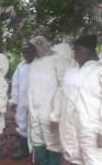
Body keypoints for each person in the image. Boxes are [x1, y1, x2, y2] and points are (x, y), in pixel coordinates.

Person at [60, 35, 102, 165]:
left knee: (93, 159)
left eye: (78, 49)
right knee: (73, 156)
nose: (75, 53)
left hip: (91, 127)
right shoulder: (71, 69)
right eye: (74, 50)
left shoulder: (99, 70)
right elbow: (61, 93)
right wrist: (55, 116)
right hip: (70, 124)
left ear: (89, 50)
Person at [27, 36, 69, 165]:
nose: (31, 52)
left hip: (50, 110)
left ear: (41, 47)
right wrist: (30, 108)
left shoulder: (58, 60)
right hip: (35, 109)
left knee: (53, 142)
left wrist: (55, 114)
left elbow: (63, 88)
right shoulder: (34, 63)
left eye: (33, 49)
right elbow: (31, 88)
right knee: (37, 138)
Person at [9, 43, 37, 160]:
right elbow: (15, 84)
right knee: (22, 125)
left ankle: (37, 152)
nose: (25, 54)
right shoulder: (21, 66)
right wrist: (14, 100)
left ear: (34, 51)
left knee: (37, 127)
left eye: (28, 51)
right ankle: (24, 149)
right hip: (22, 101)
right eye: (24, 51)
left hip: (37, 103)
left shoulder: (40, 65)